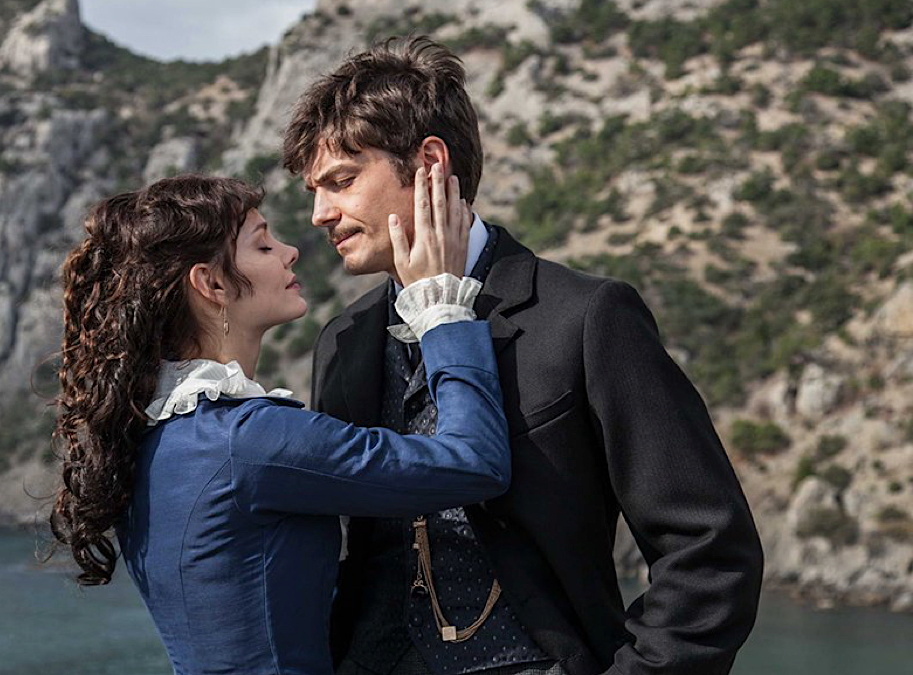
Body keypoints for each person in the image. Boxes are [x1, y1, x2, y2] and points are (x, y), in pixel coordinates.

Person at [283, 37, 765, 675]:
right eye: (314, 190)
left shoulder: (585, 316)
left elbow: (710, 549)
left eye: (342, 181)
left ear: (430, 163)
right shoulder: (343, 340)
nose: (320, 214)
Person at [49, 171, 515, 675]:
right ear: (212, 284)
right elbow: (473, 463)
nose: (291, 252)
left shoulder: (156, 436)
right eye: (263, 245)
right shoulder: (247, 439)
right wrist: (441, 309)